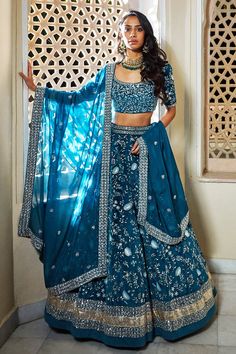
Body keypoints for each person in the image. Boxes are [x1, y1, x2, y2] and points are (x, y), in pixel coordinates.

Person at [19, 9, 216, 349]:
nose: (133, 34)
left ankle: (163, 312)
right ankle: (108, 315)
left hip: (145, 151)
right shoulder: (108, 73)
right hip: (110, 158)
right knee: (107, 228)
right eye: (128, 29)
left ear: (146, 34)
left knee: (155, 225)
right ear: (120, 34)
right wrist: (43, 93)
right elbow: (78, 100)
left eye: (139, 29)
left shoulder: (159, 70)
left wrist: (152, 134)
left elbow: (171, 109)